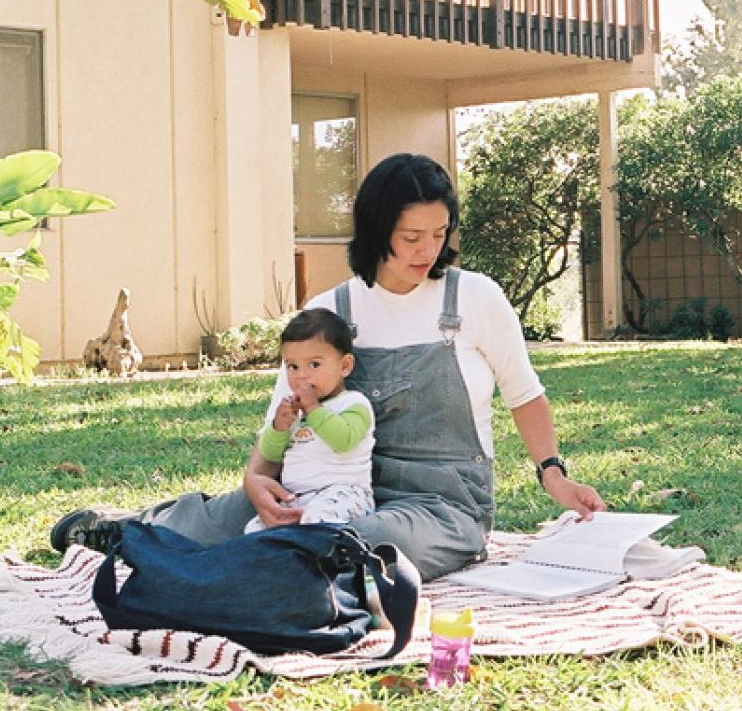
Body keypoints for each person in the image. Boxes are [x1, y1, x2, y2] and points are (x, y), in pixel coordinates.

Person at [52, 153, 606, 580]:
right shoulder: (331, 311)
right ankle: (123, 531)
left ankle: (257, 567)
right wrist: (257, 481)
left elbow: (524, 393)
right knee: (227, 516)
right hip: (327, 484)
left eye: (439, 236)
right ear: (376, 231)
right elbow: (283, 413)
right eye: (412, 237)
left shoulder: (475, 300)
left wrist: (553, 474)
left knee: (359, 541)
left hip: (439, 504)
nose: (427, 252)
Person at [244, 308, 373, 533]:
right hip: (297, 496)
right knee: (254, 529)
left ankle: (322, 565)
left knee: (316, 522)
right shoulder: (296, 410)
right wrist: (279, 427)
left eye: (314, 365)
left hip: (343, 493)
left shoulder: (354, 404)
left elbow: (344, 440)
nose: (301, 375)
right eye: (293, 366)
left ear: (345, 366)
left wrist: (313, 408)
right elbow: (272, 455)